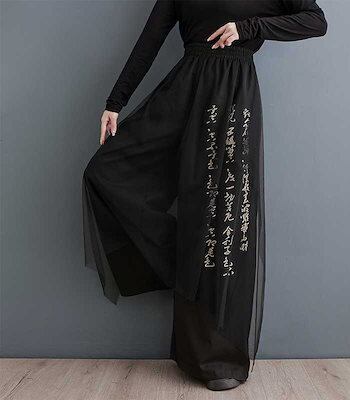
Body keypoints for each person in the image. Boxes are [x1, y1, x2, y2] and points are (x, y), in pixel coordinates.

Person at [82, 0, 327, 392]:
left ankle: (220, 359)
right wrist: (115, 102)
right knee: (106, 173)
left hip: (233, 93)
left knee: (223, 221)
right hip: (184, 89)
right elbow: (150, 40)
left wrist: (247, 28)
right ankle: (184, 267)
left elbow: (316, 21)